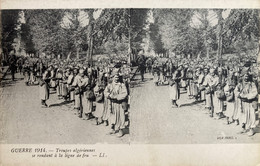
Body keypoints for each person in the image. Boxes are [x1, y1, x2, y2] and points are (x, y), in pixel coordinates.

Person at [238, 72, 258, 136]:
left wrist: (246, 96)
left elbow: (254, 93)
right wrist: (240, 95)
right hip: (243, 102)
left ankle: (251, 129)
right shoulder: (240, 84)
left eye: (247, 76)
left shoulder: (252, 84)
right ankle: (243, 128)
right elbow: (236, 91)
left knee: (251, 115)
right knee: (243, 115)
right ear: (242, 76)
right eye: (245, 76)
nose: (246, 78)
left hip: (250, 102)